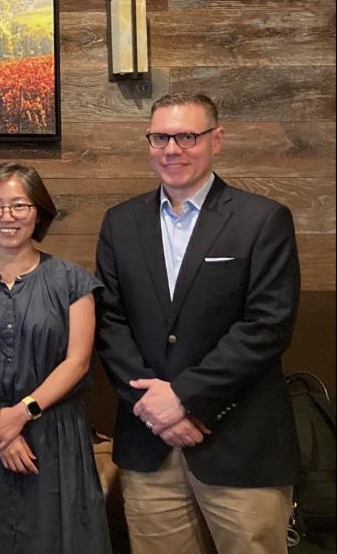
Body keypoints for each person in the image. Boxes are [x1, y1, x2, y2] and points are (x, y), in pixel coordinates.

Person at [95, 92, 300, 554]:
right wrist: (154, 408)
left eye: (187, 136)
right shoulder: (120, 223)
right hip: (150, 445)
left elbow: (267, 326)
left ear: (216, 140)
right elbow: (110, 322)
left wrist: (185, 399)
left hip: (239, 441)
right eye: (160, 137)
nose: (172, 149)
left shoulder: (262, 220)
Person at [0, 162, 111, 553]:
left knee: (60, 536)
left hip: (54, 432)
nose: (6, 217)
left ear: (39, 211)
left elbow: (78, 362)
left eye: (19, 205)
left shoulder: (72, 281)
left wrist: (21, 414)